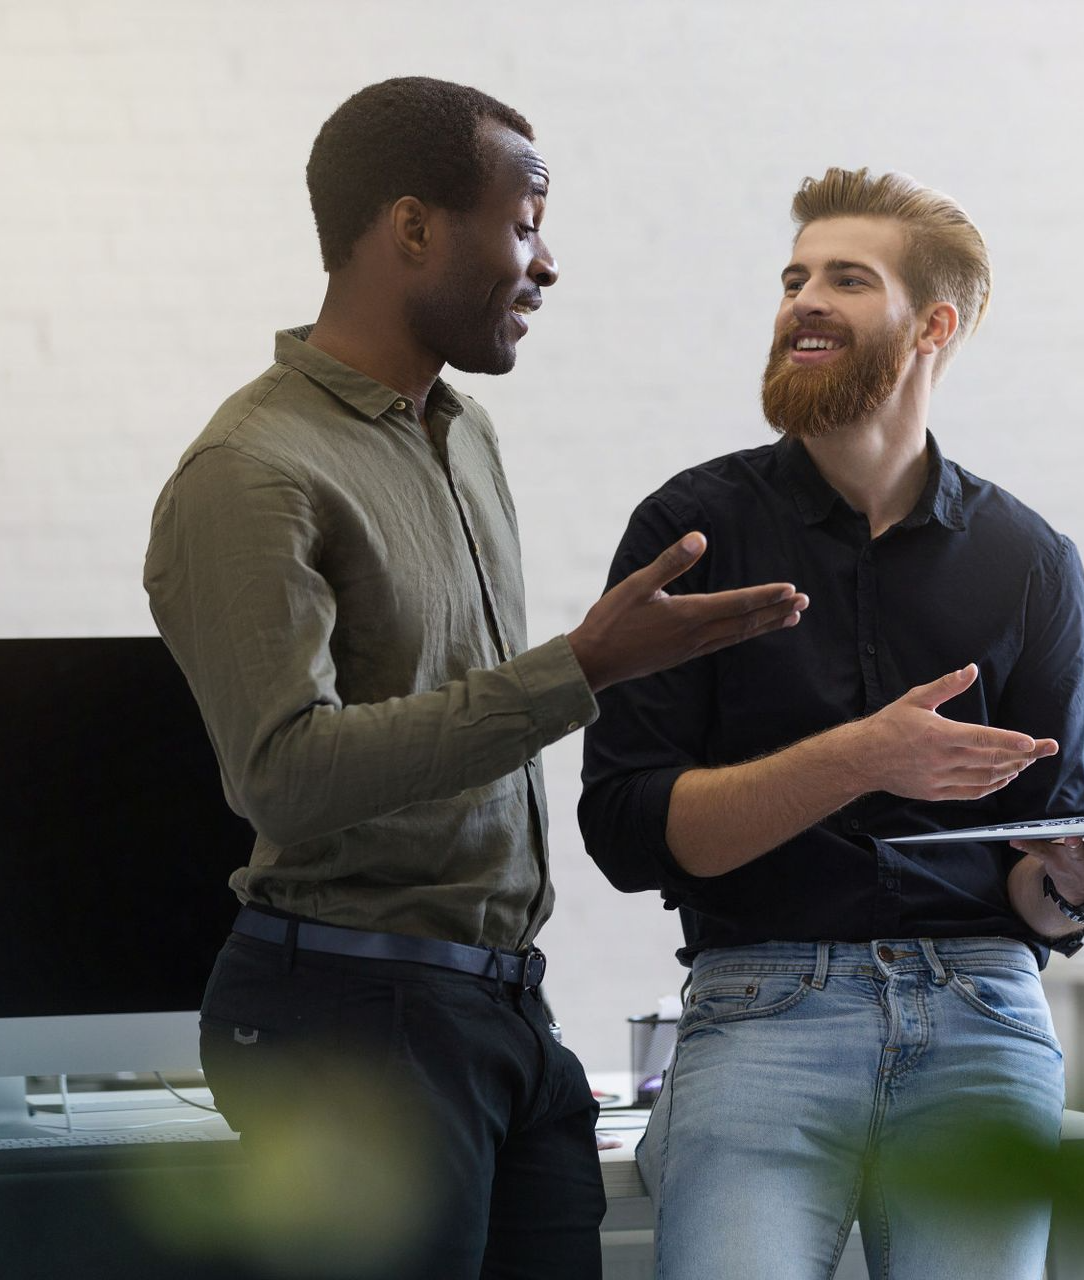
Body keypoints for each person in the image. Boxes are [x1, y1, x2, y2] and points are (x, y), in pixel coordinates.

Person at [143, 77, 807, 1280]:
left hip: (497, 1010)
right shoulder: (252, 469)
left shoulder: (461, 431)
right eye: (524, 221)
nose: (544, 263)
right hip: (350, 1017)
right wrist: (581, 668)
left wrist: (579, 670)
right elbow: (284, 777)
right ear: (411, 227)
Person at [579, 167, 1084, 1278]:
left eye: (844, 278)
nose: (801, 300)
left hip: (981, 1005)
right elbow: (628, 831)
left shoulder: (1028, 559)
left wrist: (1077, 877)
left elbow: (1033, 870)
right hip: (765, 1003)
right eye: (792, 277)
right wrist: (862, 755)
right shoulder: (690, 530)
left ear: (932, 325)